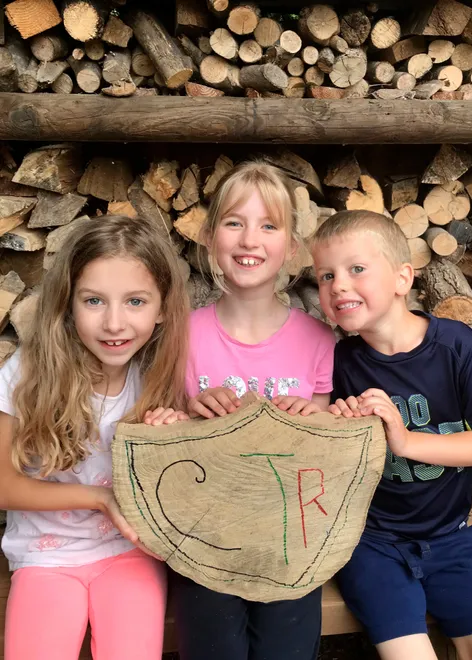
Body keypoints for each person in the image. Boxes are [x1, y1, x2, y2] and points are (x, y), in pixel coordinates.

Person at [146, 160, 334, 660]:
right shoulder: (182, 333)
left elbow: (324, 455)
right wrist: (186, 410)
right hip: (203, 542)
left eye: (268, 226)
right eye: (235, 222)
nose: (250, 240)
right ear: (209, 237)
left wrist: (311, 422)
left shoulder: (318, 340)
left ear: (291, 248)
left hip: (290, 544)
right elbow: (159, 438)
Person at [309, 209, 472, 660]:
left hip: (452, 537)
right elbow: (321, 451)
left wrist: (406, 441)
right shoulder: (338, 361)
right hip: (370, 544)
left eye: (357, 269)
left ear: (402, 277)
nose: (338, 285)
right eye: (325, 275)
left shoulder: (456, 345)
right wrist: (340, 426)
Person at [0, 215, 189, 660]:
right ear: (68, 304)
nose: (114, 323)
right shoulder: (26, 374)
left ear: (162, 308)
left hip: (131, 554)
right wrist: (99, 499)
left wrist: (171, 437)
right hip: (45, 557)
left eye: (136, 301)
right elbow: (4, 485)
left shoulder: (156, 377)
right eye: (94, 301)